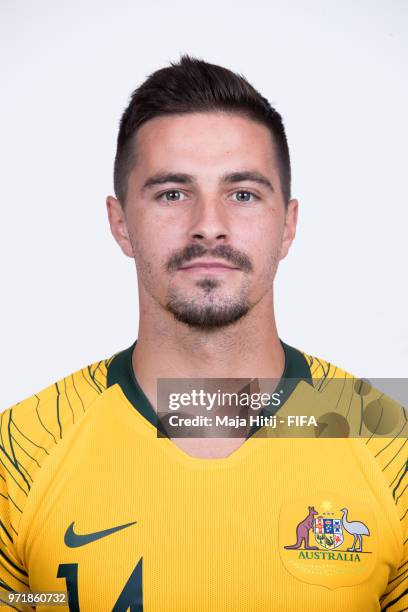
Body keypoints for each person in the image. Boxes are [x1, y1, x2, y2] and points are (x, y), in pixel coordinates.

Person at [0, 55, 406, 612]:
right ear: (120, 223)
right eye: (172, 193)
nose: (209, 224)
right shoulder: (19, 453)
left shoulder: (390, 446)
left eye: (243, 193)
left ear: (287, 224)